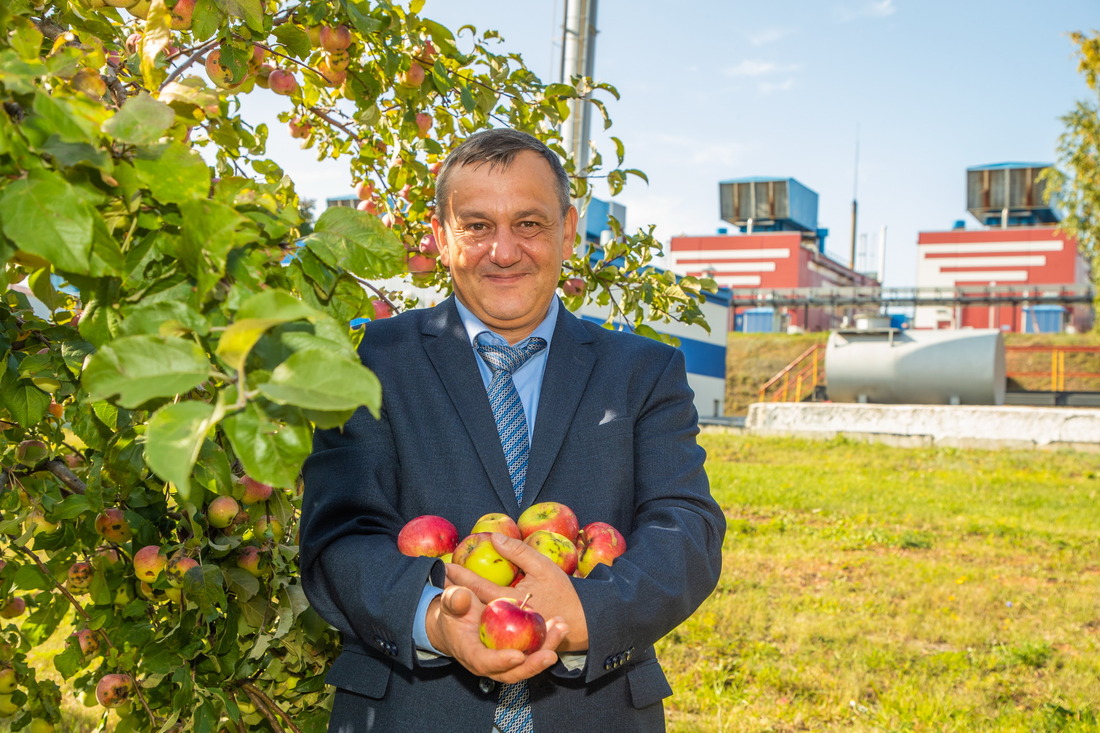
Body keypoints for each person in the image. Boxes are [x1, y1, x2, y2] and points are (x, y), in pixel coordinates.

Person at [300, 128, 726, 732]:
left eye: (528, 223)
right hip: (407, 714)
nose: (504, 251)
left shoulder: (643, 372)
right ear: (441, 235)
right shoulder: (367, 362)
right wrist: (437, 620)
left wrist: (584, 611)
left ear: (568, 231)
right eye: (476, 226)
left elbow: (686, 528)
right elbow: (338, 537)